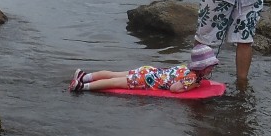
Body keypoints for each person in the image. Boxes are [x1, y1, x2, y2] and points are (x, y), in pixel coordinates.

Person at [70, 44, 218, 93]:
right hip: (147, 80)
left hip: (149, 70)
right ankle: (82, 86)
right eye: (210, 67)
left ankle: (84, 76)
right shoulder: (192, 78)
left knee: (114, 74)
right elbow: (174, 89)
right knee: (114, 82)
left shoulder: (186, 68)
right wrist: (193, 86)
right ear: (202, 67)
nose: (212, 69)